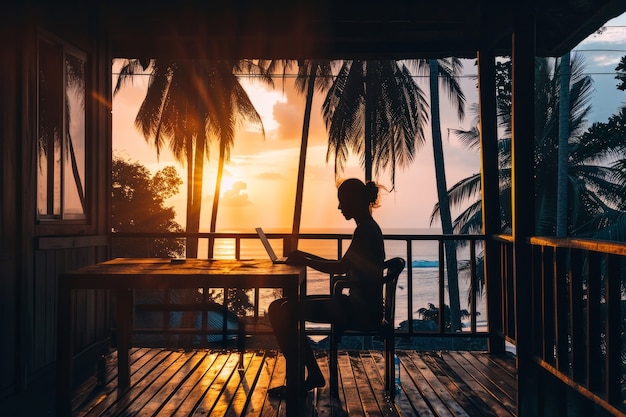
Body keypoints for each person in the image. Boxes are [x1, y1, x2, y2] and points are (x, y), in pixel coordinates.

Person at [267, 178, 386, 398]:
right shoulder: (367, 228)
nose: (340, 207)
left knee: (283, 310)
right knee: (278, 307)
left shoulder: (365, 231)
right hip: (357, 305)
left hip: (360, 311)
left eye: (342, 202)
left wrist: (305, 258)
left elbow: (339, 267)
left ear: (355, 201)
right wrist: (304, 256)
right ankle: (310, 373)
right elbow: (342, 266)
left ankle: (305, 376)